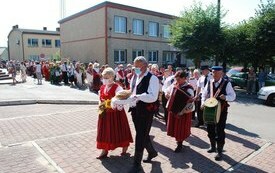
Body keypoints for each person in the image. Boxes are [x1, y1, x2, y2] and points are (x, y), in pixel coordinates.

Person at [128, 56, 159, 173]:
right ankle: (152, 152)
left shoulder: (153, 78)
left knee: (140, 136)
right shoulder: (135, 76)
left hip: (146, 112)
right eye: (134, 66)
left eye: (137, 66)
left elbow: (153, 96)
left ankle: (137, 165)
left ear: (145, 66)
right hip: (135, 110)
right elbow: (133, 91)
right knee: (142, 134)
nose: (135, 68)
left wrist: (138, 97)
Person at [96, 67, 133, 159]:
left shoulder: (118, 87)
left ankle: (124, 148)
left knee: (119, 130)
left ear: (112, 77)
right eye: (103, 77)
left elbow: (122, 101)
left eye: (106, 77)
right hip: (104, 113)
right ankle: (104, 150)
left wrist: (113, 102)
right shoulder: (102, 87)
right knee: (104, 132)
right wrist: (100, 109)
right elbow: (100, 99)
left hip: (116, 114)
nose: (104, 80)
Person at [201, 66, 236, 161]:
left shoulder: (226, 83)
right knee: (210, 129)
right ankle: (213, 147)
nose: (215, 75)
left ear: (221, 74)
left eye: (217, 73)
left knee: (220, 131)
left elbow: (233, 96)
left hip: (222, 111)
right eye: (213, 73)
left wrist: (226, 97)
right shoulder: (210, 82)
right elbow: (204, 94)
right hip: (209, 110)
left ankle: (220, 152)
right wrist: (202, 103)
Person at [165, 70, 194, 152]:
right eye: (176, 79)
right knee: (175, 127)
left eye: (179, 79)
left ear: (184, 78)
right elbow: (167, 90)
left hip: (183, 112)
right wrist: (167, 94)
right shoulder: (174, 85)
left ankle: (180, 144)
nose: (177, 81)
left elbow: (191, 100)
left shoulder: (189, 88)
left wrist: (186, 109)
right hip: (173, 109)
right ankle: (178, 142)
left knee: (181, 129)